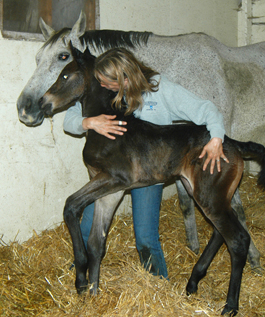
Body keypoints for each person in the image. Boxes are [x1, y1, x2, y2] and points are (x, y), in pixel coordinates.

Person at [63, 47, 228, 278]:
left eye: (107, 83)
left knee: (145, 237)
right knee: (88, 224)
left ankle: (159, 285)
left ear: (124, 79)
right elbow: (69, 118)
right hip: (113, 171)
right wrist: (89, 122)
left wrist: (217, 138)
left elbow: (205, 109)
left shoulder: (160, 88)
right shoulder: (106, 90)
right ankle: (78, 270)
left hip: (150, 171)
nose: (102, 86)